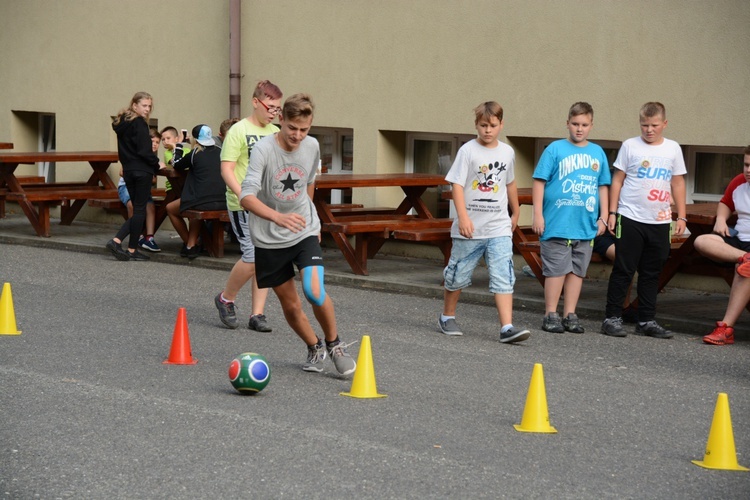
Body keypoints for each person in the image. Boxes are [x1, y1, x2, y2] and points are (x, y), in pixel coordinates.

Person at [238, 93, 356, 375]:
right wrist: (278, 217)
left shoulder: (312, 145)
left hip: (303, 230)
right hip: (268, 236)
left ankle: (335, 344)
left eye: (304, 129)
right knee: (290, 305)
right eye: (293, 128)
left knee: (314, 291)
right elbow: (246, 197)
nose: (298, 135)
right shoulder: (264, 150)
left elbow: (308, 183)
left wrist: (309, 219)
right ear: (281, 120)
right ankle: (314, 346)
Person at [438, 101, 530, 343]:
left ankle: (506, 327)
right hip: (470, 228)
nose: (488, 130)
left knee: (503, 274)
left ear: (501, 125)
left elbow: (510, 182)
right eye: (483, 125)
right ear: (476, 125)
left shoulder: (508, 152)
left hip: (498, 226)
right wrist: (464, 218)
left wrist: (516, 210)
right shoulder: (468, 151)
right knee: (457, 275)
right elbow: (456, 185)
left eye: (493, 125)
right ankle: (447, 316)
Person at [601, 102, 687, 338]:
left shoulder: (673, 149)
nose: (649, 130)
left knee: (652, 271)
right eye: (644, 125)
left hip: (659, 220)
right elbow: (617, 180)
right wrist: (612, 212)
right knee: (624, 268)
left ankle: (647, 320)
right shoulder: (630, 146)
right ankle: (612, 317)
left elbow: (678, 183)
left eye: (654, 125)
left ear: (664, 124)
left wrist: (682, 216)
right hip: (630, 216)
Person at [532, 102, 611, 333]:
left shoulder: (597, 152)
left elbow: (603, 186)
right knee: (556, 270)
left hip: (584, 224)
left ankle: (570, 314)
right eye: (575, 124)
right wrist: (537, 214)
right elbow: (539, 181)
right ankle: (550, 314)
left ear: (591, 126)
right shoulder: (555, 149)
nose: (579, 129)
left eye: (584, 125)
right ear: (567, 123)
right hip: (556, 223)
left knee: (577, 270)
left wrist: (604, 216)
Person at [214, 80, 282, 332]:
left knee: (265, 257)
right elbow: (226, 169)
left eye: (277, 108)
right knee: (253, 256)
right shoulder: (238, 131)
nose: (274, 112)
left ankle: (257, 314)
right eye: (270, 106)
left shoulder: (276, 132)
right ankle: (226, 298)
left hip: (268, 206)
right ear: (256, 102)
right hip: (242, 204)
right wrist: (244, 196)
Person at [694, 145, 750, 345]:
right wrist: (720, 220)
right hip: (738, 243)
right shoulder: (739, 182)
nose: (748, 170)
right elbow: (725, 203)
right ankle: (745, 258)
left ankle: (725, 328)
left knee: (744, 270)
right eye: (746, 165)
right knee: (702, 240)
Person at [107, 92, 165, 261]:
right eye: (144, 105)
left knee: (138, 210)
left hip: (129, 171)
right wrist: (156, 164)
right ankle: (117, 240)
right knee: (140, 211)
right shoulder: (139, 123)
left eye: (149, 106)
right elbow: (144, 151)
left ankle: (132, 249)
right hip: (142, 171)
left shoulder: (123, 123)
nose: (147, 109)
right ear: (134, 105)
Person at [169, 124, 228, 259]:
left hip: (202, 201)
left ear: (195, 139)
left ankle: (190, 244)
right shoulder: (220, 151)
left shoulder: (195, 153)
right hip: (224, 201)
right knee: (194, 204)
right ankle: (191, 244)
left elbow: (177, 164)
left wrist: (178, 145)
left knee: (171, 208)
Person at [116, 128, 161, 252]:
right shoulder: (136, 153)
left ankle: (149, 238)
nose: (155, 144)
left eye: (158, 142)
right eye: (152, 141)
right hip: (126, 186)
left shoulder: (153, 159)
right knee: (132, 206)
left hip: (143, 188)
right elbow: (122, 172)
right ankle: (136, 234)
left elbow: (154, 180)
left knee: (151, 207)